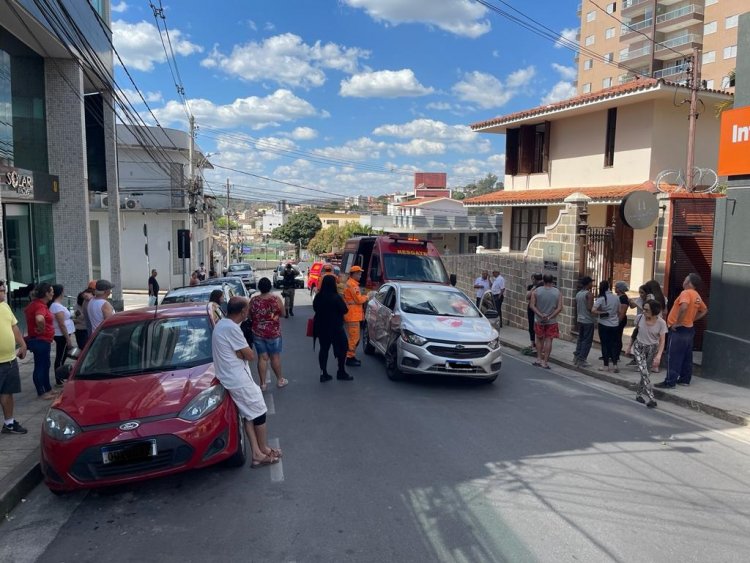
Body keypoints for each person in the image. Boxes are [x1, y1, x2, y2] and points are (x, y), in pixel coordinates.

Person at [211, 296, 281, 468]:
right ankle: (262, 449)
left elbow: (242, 353)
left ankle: (257, 453)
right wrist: (242, 353)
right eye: (248, 309)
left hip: (231, 376)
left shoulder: (222, 324)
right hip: (237, 378)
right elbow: (250, 355)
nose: (249, 311)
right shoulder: (231, 329)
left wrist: (240, 353)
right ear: (242, 311)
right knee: (259, 411)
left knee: (248, 415)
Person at [656, 273, 708, 389]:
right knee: (686, 355)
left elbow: (684, 307)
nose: (683, 281)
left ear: (688, 283)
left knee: (673, 355)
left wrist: (677, 323)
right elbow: (704, 310)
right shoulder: (696, 295)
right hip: (689, 329)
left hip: (679, 329)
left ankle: (670, 381)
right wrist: (692, 319)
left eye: (685, 279)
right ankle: (685, 379)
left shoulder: (685, 293)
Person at [249, 278, 288, 390]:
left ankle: (263, 384)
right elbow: (283, 313)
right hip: (273, 333)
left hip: (258, 332)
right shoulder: (276, 299)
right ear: (270, 287)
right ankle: (280, 380)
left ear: (259, 287)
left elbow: (249, 316)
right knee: (275, 357)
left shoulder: (254, 300)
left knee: (262, 357)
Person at [0, 284, 28, 434]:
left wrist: (23, 344)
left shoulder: (5, 306)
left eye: (4, 290)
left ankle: (9, 423)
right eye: (0, 290)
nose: (3, 293)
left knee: (7, 392)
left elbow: (14, 327)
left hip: (9, 360)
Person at [313, 274, 351, 381]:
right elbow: (345, 310)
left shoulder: (318, 297)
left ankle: (323, 373)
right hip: (336, 329)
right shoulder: (336, 297)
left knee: (324, 350)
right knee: (343, 348)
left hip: (322, 328)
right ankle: (341, 371)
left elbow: (315, 308)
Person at [24, 283, 57, 399]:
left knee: (45, 364)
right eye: (51, 291)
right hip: (40, 340)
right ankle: (42, 392)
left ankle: (47, 389)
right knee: (41, 365)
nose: (53, 293)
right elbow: (39, 318)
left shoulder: (37, 304)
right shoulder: (40, 306)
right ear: (46, 293)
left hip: (42, 340)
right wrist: (42, 329)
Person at [632, 300, 667, 408]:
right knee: (644, 372)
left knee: (646, 374)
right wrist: (629, 347)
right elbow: (635, 332)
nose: (644, 311)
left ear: (654, 311)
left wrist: (659, 355)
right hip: (639, 347)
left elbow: (662, 341)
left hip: (652, 349)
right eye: (644, 308)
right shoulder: (639, 318)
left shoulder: (661, 323)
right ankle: (652, 399)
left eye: (647, 309)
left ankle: (638, 395)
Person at [529, 274, 562, 369]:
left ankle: (539, 359)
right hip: (551, 321)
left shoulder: (536, 291)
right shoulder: (557, 292)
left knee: (539, 339)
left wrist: (540, 314)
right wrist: (549, 316)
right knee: (549, 340)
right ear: (552, 281)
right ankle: (545, 362)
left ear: (543, 280)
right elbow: (559, 308)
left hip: (539, 320)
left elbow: (532, 305)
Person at [343, 265, 371, 366]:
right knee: (354, 338)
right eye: (358, 273)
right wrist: (368, 297)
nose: (360, 275)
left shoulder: (351, 283)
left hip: (352, 314)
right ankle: (349, 358)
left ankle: (351, 356)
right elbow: (359, 300)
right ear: (353, 274)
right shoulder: (353, 285)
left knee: (355, 338)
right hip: (352, 315)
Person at [592, 280, 621, 373]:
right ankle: (615, 365)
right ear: (609, 287)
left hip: (604, 324)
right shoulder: (616, 298)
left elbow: (593, 310)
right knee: (614, 344)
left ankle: (606, 366)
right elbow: (619, 311)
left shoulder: (601, 298)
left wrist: (602, 312)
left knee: (605, 344)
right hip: (614, 324)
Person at [49, 284, 75, 381]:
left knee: (62, 355)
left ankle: (59, 377)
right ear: (61, 293)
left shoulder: (57, 305)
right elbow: (61, 324)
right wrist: (68, 339)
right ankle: (59, 378)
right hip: (61, 335)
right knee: (61, 357)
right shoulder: (56, 306)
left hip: (62, 334)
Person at [573, 276, 595, 368]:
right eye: (591, 282)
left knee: (580, 339)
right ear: (588, 283)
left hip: (580, 319)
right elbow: (590, 308)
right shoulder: (589, 294)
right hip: (588, 320)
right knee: (587, 340)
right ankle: (582, 359)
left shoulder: (578, 294)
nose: (592, 284)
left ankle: (577, 356)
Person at [525, 273, 543, 353]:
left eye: (533, 279)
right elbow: (527, 296)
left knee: (538, 327)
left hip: (539, 308)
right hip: (531, 309)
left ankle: (538, 345)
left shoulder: (542, 287)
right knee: (531, 326)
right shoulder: (531, 287)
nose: (532, 281)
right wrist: (533, 288)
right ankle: (533, 344)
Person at [613, 281, 630, 362]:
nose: (615, 288)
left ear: (619, 289)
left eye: (616, 287)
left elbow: (622, 312)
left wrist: (618, 322)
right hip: (616, 319)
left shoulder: (623, 298)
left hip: (620, 320)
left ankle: (616, 356)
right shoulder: (618, 296)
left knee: (617, 338)